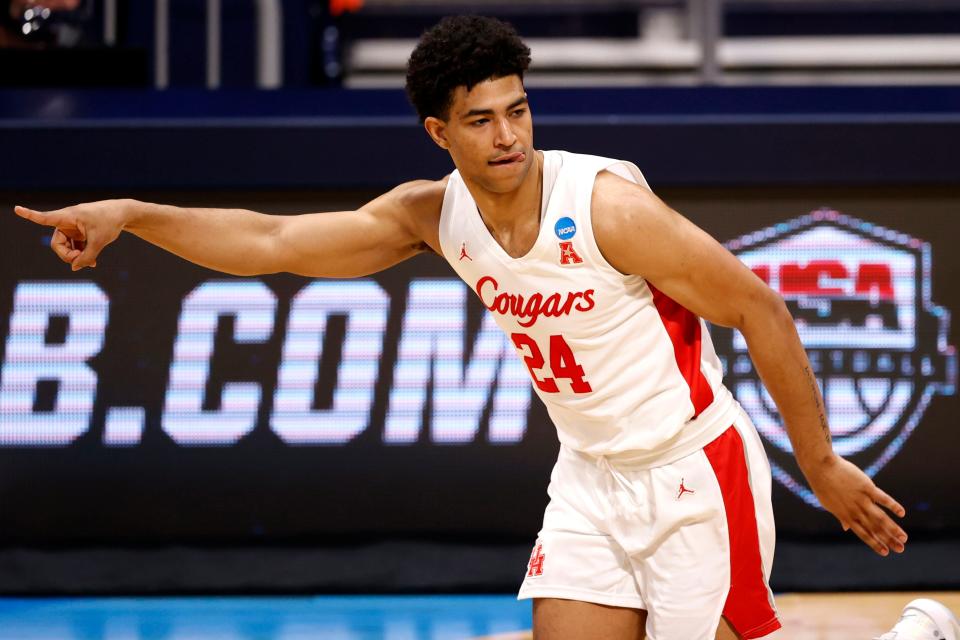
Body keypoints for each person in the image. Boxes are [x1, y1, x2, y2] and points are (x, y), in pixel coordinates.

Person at [11, 14, 943, 640]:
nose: (508, 136)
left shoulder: (605, 206)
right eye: (482, 120)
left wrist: (818, 463)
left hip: (695, 473)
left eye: (519, 110)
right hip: (589, 482)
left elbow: (757, 304)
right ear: (438, 133)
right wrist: (132, 211)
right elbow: (272, 240)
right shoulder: (432, 213)